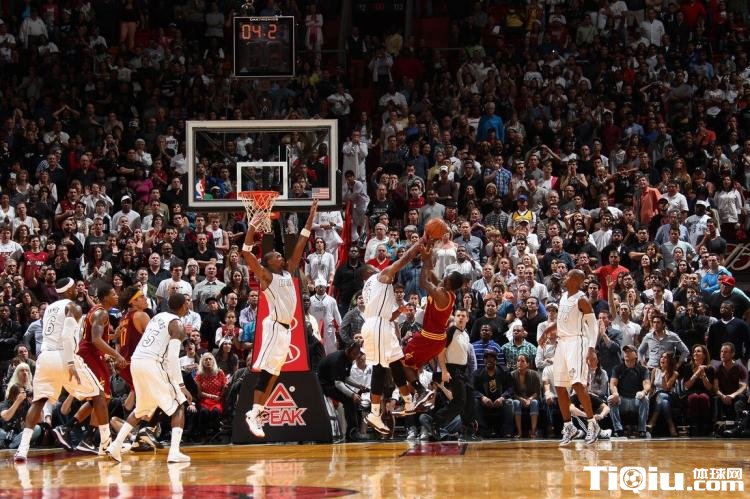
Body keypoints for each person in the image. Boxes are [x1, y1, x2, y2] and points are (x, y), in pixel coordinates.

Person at [241, 200, 318, 438]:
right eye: (275, 255)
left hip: (285, 330)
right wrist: (252, 227)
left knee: (275, 373)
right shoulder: (266, 276)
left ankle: (259, 412)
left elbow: (301, 244)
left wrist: (310, 218)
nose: (280, 256)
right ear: (268, 263)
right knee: (266, 372)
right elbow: (246, 253)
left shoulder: (289, 270)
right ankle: (253, 412)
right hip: (274, 327)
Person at [14, 278, 108, 462]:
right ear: (70, 289)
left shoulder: (49, 308)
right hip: (64, 356)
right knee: (99, 395)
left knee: (38, 402)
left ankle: (22, 449)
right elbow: (66, 335)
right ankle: (106, 444)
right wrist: (71, 363)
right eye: (76, 287)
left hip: (44, 357)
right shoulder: (73, 307)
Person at [106, 293, 192, 463]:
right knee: (179, 405)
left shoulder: (157, 317)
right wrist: (181, 386)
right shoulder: (177, 325)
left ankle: (115, 446)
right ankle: (174, 452)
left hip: (137, 362)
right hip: (152, 363)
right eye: (187, 303)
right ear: (184, 306)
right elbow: (172, 358)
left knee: (142, 409)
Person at [357, 235, 427, 435]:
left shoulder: (370, 288)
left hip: (383, 324)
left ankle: (409, 402)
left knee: (396, 363)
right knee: (380, 368)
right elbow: (404, 259)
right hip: (378, 325)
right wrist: (420, 241)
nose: (379, 268)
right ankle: (374, 413)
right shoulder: (378, 277)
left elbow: (386, 313)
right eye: (375, 267)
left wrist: (398, 312)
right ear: (368, 272)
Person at [540, 269, 601, 445]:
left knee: (577, 384)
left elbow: (593, 325)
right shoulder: (564, 296)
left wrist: (591, 349)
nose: (564, 278)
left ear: (576, 280)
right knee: (559, 386)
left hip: (577, 341)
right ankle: (569, 426)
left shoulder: (582, 300)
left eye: (568, 276)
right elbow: (561, 321)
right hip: (562, 342)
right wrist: (547, 330)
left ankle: (592, 424)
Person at [398, 247, 463, 409]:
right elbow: (433, 276)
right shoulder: (447, 291)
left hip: (429, 338)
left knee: (402, 362)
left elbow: (423, 282)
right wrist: (426, 259)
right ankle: (417, 399)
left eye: (447, 279)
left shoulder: (441, 295)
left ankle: (421, 391)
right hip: (437, 339)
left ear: (451, 285)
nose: (444, 279)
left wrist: (425, 262)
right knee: (413, 367)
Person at [317, 341, 365, 441]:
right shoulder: (337, 360)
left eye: (357, 354)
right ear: (347, 350)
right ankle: (352, 433)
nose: (356, 356)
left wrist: (358, 385)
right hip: (324, 385)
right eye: (354, 354)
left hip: (334, 383)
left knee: (355, 399)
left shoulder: (349, 359)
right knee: (350, 399)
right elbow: (338, 383)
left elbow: (346, 377)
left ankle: (354, 432)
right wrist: (352, 395)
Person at [115, 285, 150, 411]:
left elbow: (118, 342)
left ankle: (126, 415)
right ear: (134, 302)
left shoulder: (123, 318)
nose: (146, 299)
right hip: (135, 363)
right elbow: (153, 340)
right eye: (142, 297)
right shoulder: (141, 315)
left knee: (136, 392)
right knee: (149, 395)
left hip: (124, 363)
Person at [609, 345, 651, 438]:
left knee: (645, 399)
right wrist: (615, 393)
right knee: (611, 399)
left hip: (636, 400)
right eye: (625, 351)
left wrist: (643, 392)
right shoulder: (617, 368)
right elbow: (613, 384)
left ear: (636, 355)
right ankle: (618, 430)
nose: (626, 353)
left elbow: (647, 384)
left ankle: (642, 429)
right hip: (622, 400)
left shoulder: (643, 369)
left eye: (629, 351)